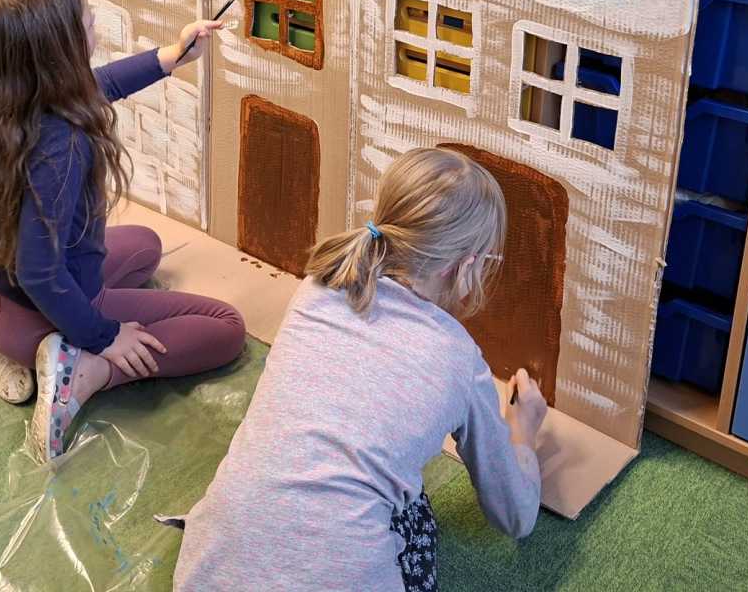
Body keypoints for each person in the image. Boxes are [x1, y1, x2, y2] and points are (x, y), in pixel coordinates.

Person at [174, 147, 545, 592]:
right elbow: (515, 516)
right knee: (414, 513)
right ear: (467, 267)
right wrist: (523, 431)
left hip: (207, 575)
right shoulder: (460, 359)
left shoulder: (316, 290)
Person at [0, 0, 246, 464]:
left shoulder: (3, 104)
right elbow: (40, 273)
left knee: (145, 245)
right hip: (38, 312)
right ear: (57, 52)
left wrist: (172, 55)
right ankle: (83, 372)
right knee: (225, 326)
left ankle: (8, 346)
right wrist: (104, 338)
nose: (95, 25)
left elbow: (100, 83)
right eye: (87, 20)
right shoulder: (60, 147)